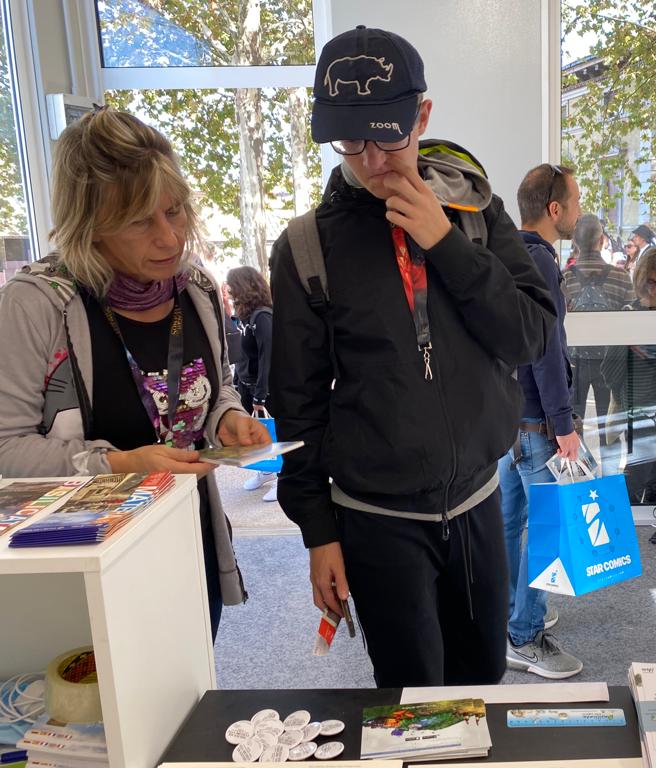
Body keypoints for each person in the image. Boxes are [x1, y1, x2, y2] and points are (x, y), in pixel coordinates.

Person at [270, 26, 555, 688]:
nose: (372, 159)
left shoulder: (475, 212)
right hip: (376, 520)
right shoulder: (307, 248)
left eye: (389, 135)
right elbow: (297, 403)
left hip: (480, 502)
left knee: (482, 687)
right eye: (351, 141)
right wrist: (318, 532)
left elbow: (530, 336)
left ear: (421, 116)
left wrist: (445, 243)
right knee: (411, 699)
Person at [0, 107, 268, 640]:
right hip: (88, 556)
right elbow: (5, 449)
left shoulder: (193, 288)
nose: (169, 238)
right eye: (141, 221)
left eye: (175, 211)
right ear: (90, 223)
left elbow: (212, 393)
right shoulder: (36, 305)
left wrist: (226, 419)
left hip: (187, 535)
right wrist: (120, 465)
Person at [499, 163, 584, 680]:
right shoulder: (541, 263)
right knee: (549, 529)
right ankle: (524, 635)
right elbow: (545, 348)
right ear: (554, 210)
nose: (578, 210)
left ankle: (508, 617)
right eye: (574, 201)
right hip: (536, 421)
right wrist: (564, 421)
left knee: (510, 525)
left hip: (509, 418)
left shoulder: (504, 252)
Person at [602, 247, 656, 503]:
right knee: (637, 475)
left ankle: (652, 529)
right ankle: (630, 531)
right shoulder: (629, 314)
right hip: (638, 407)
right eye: (651, 282)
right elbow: (608, 370)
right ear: (641, 282)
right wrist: (626, 344)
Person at [563, 214, 635, 473]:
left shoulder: (565, 279)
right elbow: (632, 322)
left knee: (573, 424)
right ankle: (610, 480)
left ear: (575, 241)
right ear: (603, 241)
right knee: (610, 426)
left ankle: (580, 477)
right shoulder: (621, 277)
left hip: (574, 364)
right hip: (611, 364)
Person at [226, 266, 278, 502]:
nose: (229, 291)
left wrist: (261, 394)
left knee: (274, 432)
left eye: (232, 286)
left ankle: (282, 475)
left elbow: (269, 355)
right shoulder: (243, 317)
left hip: (264, 386)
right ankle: (266, 469)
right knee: (257, 432)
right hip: (246, 383)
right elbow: (242, 354)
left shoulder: (263, 316)